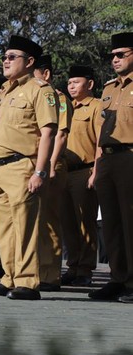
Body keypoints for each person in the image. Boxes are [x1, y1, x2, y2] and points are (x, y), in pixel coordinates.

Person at [0, 35, 58, 300]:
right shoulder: (4, 92)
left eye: (12, 57)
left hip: (22, 165)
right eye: (3, 57)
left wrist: (40, 171)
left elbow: (47, 132)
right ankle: (9, 277)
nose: (5, 61)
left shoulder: (40, 90)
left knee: (25, 226)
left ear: (30, 62)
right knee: (4, 228)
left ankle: (27, 282)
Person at [92, 32, 133, 303]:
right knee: (111, 223)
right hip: (107, 158)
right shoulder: (109, 88)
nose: (115, 60)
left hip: (130, 156)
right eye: (112, 56)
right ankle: (118, 278)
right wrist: (97, 167)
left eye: (121, 54)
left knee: (130, 222)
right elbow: (100, 131)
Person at [33, 54, 73, 292]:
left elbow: (60, 134)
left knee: (49, 219)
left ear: (45, 74)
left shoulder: (58, 98)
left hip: (50, 164)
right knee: (35, 220)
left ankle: (50, 274)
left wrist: (50, 163)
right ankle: (35, 270)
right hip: (35, 163)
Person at [60, 65, 100, 287]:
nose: (71, 86)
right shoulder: (66, 107)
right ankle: (73, 265)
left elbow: (101, 142)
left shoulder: (95, 107)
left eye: (76, 82)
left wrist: (96, 171)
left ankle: (85, 269)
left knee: (86, 223)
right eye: (69, 83)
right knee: (68, 222)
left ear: (90, 84)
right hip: (65, 171)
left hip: (85, 170)